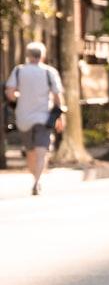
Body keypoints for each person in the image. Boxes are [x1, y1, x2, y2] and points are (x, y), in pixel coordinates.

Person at [4, 42, 64, 196]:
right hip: (43, 116)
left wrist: (20, 97)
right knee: (41, 151)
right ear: (43, 56)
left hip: (23, 117)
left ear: (28, 55)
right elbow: (58, 97)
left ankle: (35, 180)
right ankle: (37, 180)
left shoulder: (19, 71)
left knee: (30, 151)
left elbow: (10, 93)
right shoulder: (49, 72)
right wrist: (60, 116)